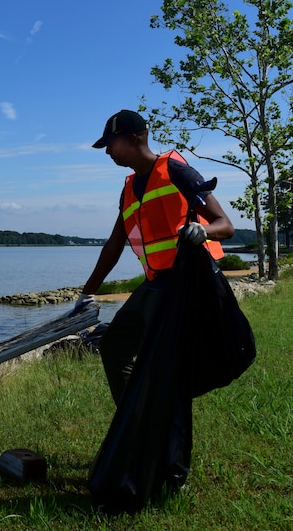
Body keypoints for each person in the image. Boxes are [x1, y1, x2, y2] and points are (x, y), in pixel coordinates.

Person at [76, 109, 235, 405]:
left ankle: (159, 431)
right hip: (155, 285)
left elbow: (225, 226)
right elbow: (114, 245)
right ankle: (132, 423)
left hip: (186, 284)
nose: (108, 150)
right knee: (113, 346)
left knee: (163, 364)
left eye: (112, 142)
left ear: (135, 138)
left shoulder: (176, 171)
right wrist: (87, 293)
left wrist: (203, 230)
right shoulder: (129, 188)